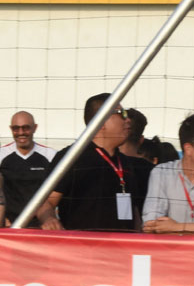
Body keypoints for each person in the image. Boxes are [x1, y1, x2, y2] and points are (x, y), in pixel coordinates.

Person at [37, 94, 148, 231]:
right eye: (121, 113)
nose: (127, 120)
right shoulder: (71, 157)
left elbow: (134, 212)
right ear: (100, 121)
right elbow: (44, 201)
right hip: (83, 247)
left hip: (122, 248)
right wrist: (49, 219)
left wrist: (138, 238)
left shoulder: (124, 162)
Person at [0, 110, 56, 225]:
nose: (21, 132)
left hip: (42, 223)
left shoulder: (50, 155)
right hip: (9, 224)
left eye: (26, 128)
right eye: (16, 128)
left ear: (35, 128)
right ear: (11, 129)